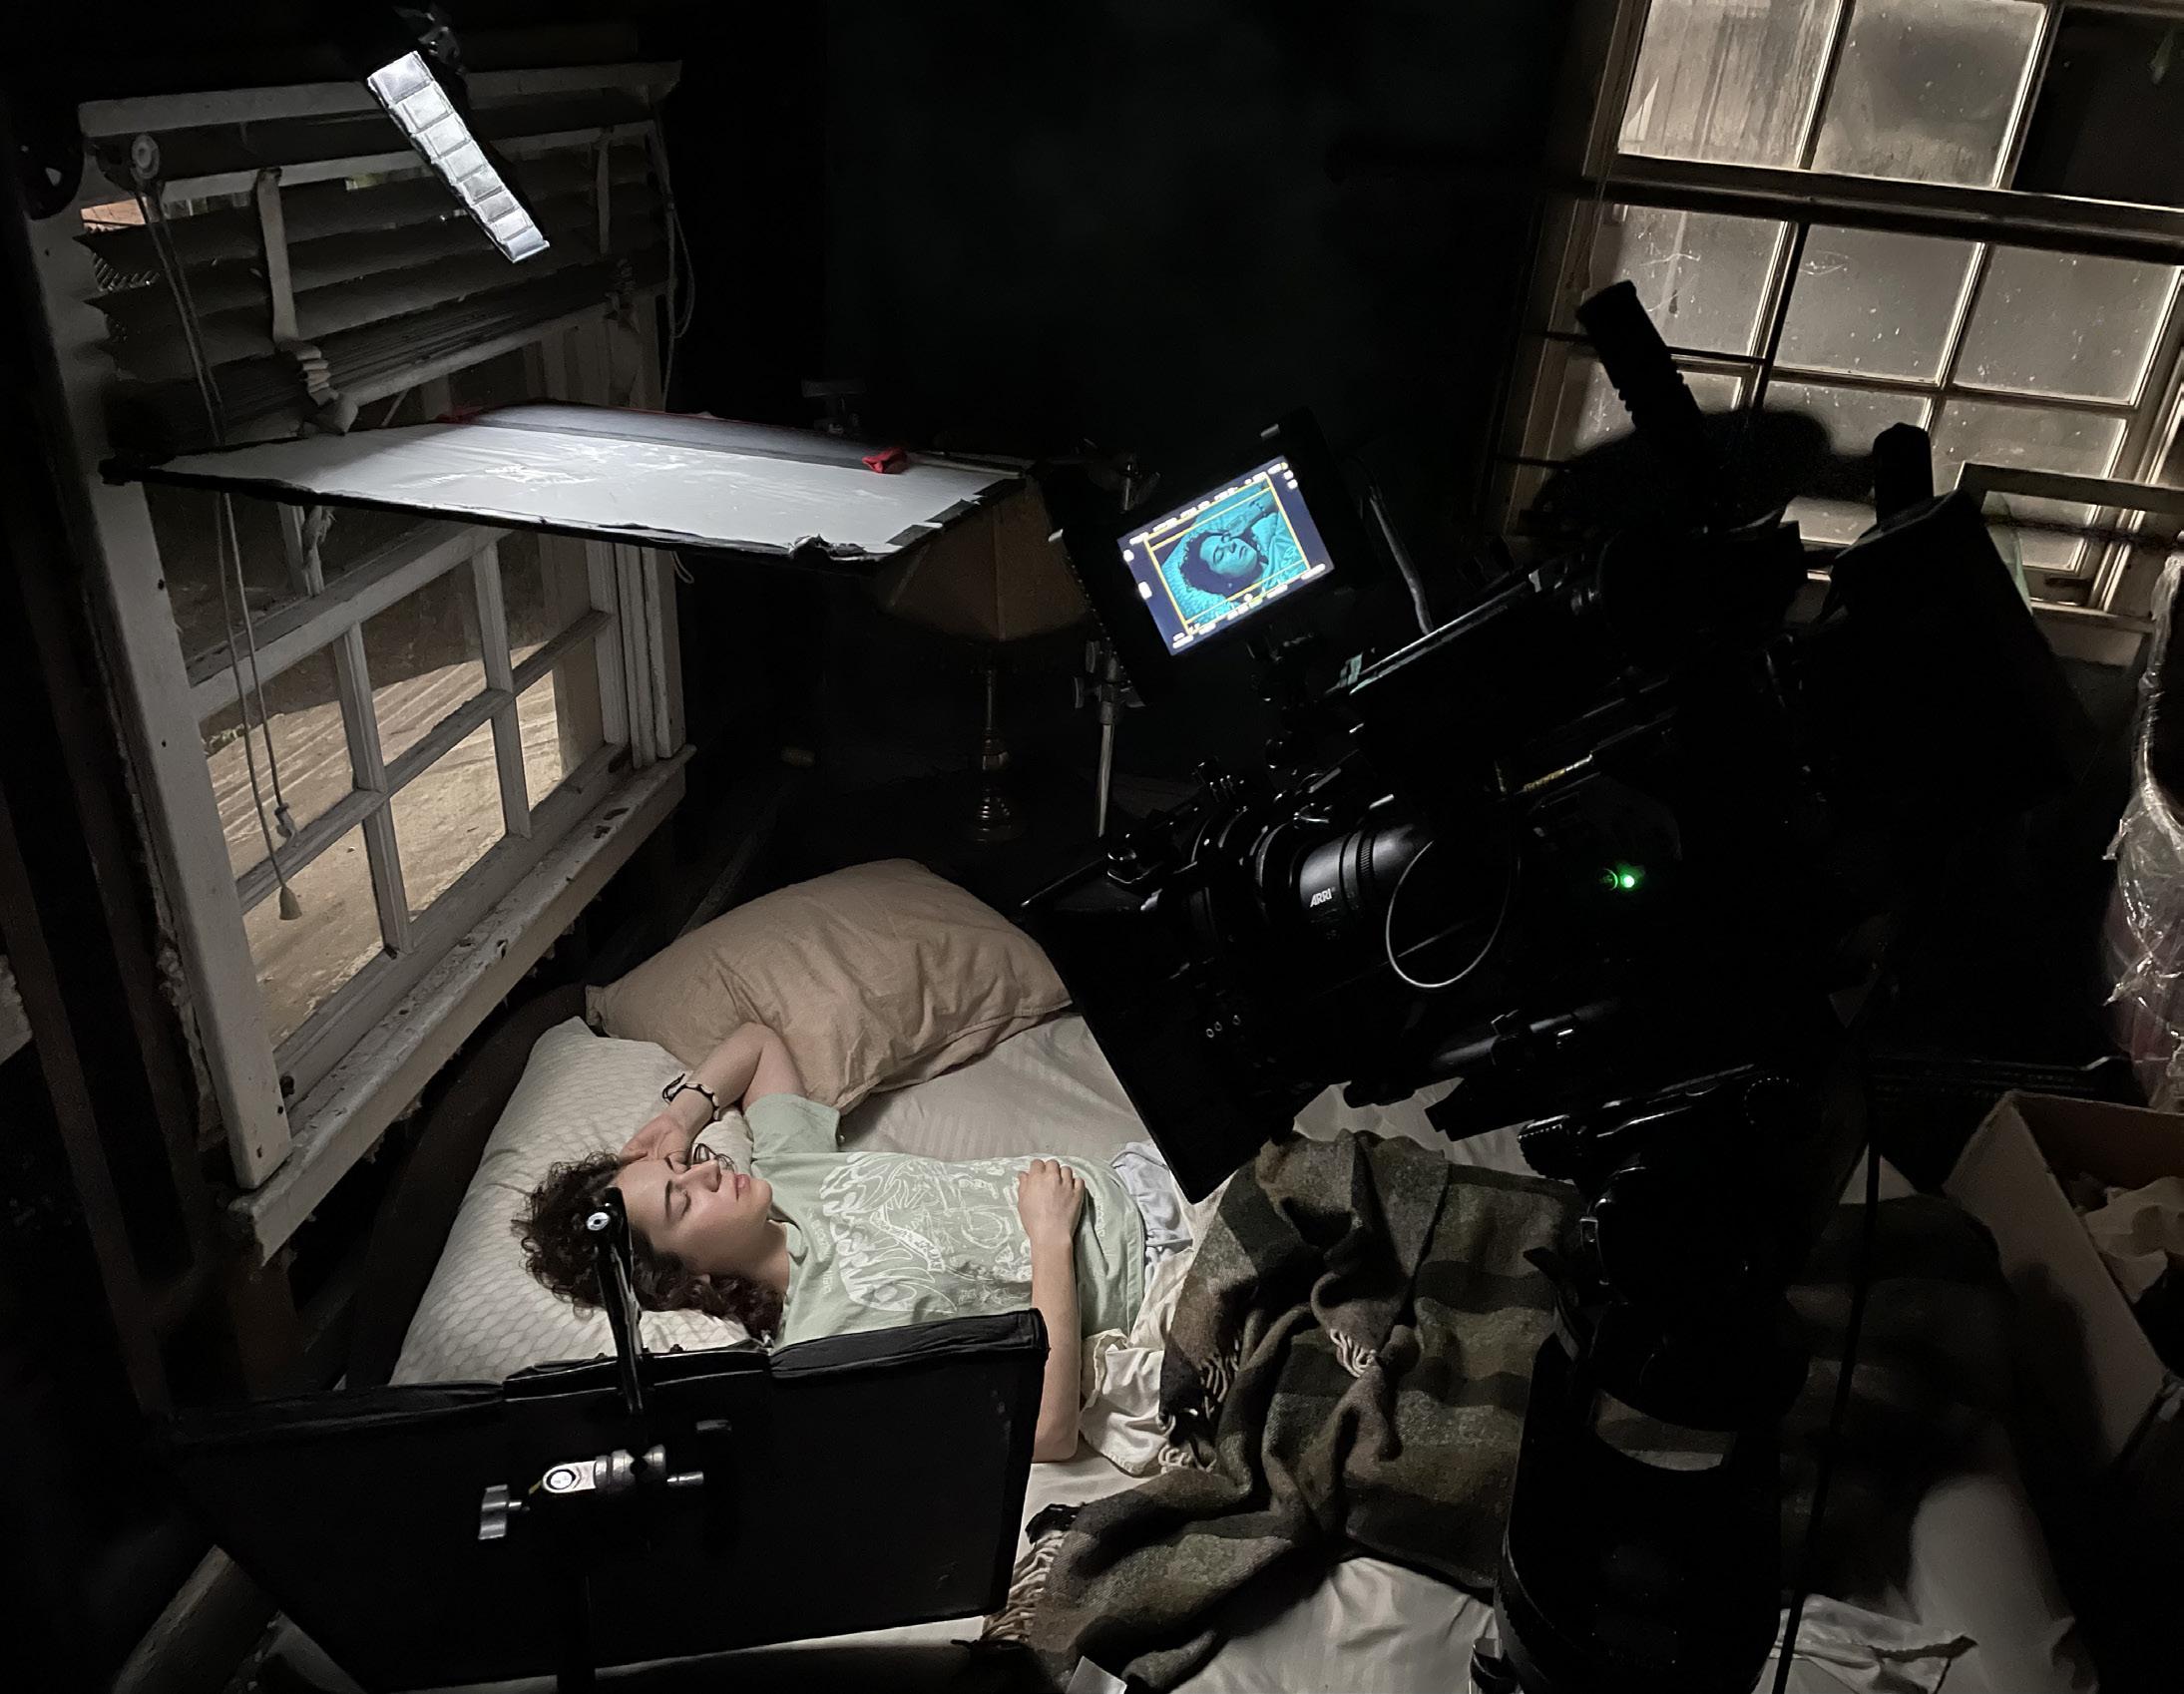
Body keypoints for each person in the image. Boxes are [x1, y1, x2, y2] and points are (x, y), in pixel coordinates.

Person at [514, 1021, 1187, 1462]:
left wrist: (678, 1118)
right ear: (686, 1278)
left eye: (685, 1165)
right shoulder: (826, 1346)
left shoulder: (786, 1171)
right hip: (1157, 1279)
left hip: (1144, 1178)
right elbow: (1045, 1432)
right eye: (683, 1199)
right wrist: (1049, 1240)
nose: (710, 1170)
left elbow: (757, 1044)